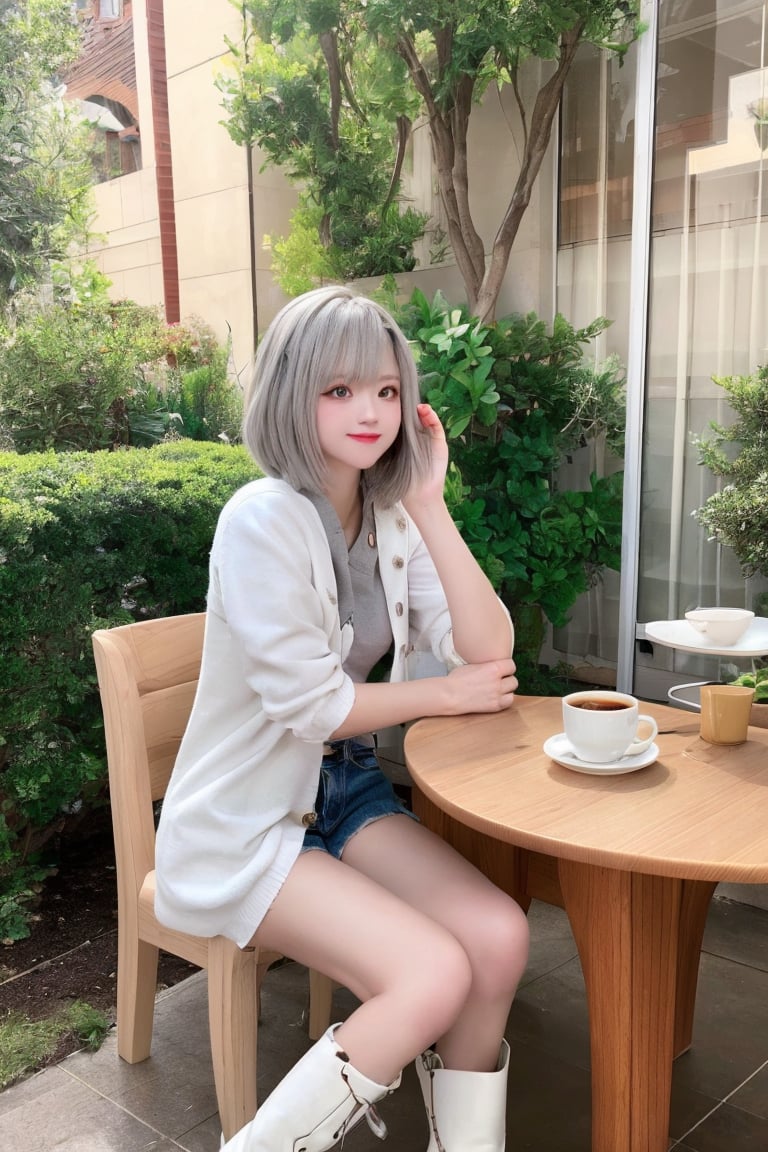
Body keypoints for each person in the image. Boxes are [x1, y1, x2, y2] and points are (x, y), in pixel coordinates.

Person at [154, 285, 530, 1152]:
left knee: (500, 937)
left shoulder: (393, 515)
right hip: (250, 814)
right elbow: (313, 703)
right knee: (431, 973)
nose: (369, 411)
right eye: (339, 390)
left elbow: (488, 648)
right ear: (294, 394)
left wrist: (432, 507)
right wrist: (442, 696)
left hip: (342, 786)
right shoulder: (260, 519)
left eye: (386, 391)